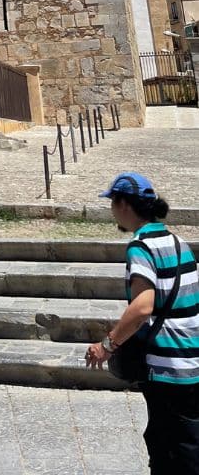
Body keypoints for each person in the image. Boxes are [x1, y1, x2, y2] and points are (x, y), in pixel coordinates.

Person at [85, 172, 199, 472]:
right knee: (186, 441)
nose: (111, 209)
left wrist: (107, 345)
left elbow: (142, 307)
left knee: (170, 450)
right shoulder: (177, 242)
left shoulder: (141, 247)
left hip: (166, 366)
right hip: (191, 358)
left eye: (112, 202)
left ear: (123, 204)